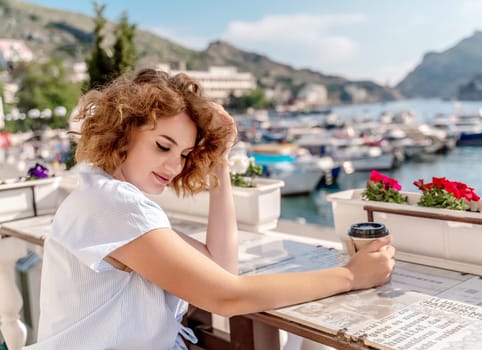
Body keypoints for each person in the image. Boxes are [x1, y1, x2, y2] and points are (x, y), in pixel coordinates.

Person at [25, 68, 395, 350]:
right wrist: (352, 276)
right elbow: (226, 296)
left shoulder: (103, 195)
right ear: (123, 132)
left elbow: (220, 267)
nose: (174, 166)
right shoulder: (114, 205)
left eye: (185, 154)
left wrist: (219, 161)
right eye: (162, 146)